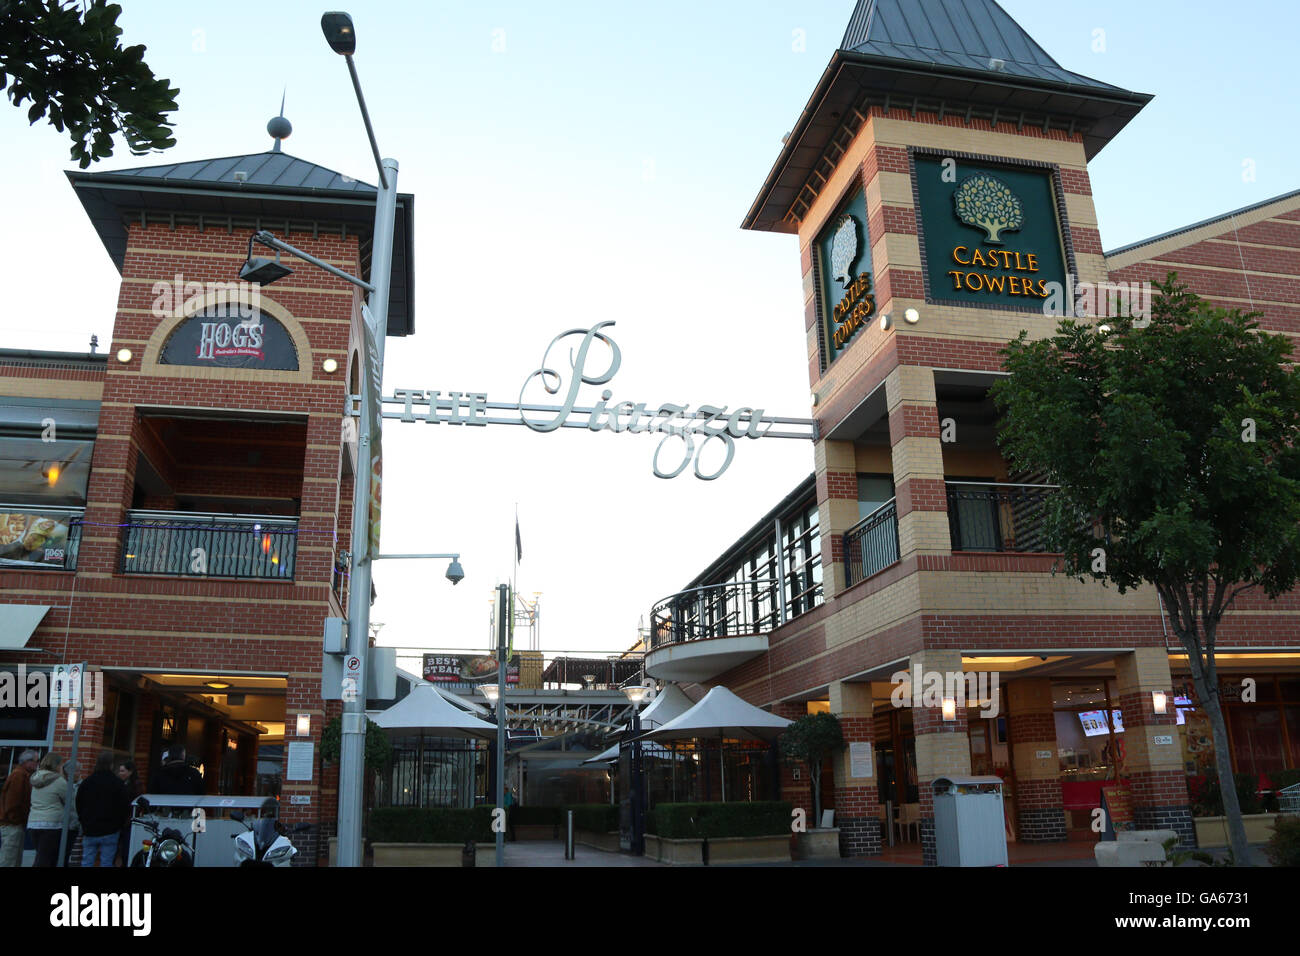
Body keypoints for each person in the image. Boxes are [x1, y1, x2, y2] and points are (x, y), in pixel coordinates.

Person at [76, 751, 130, 867]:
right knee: (107, 862)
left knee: (87, 861)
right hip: (110, 829)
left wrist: (83, 821)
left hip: (90, 828)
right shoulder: (117, 783)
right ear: (111, 764)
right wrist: (119, 824)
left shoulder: (87, 782)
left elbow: (79, 803)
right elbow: (124, 807)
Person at [29, 752, 75, 867]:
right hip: (52, 824)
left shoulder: (35, 778)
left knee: (41, 855)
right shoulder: (59, 781)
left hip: (33, 823)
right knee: (46, 859)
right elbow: (70, 801)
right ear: (58, 765)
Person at [0, 749, 39, 867]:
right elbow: (13, 801)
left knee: (14, 858)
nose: (37, 765)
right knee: (9, 858)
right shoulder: (19, 776)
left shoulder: (21, 775)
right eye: (36, 761)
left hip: (14, 823)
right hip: (12, 824)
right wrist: (16, 819)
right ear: (27, 762)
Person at [115, 759, 142, 867]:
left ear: (130, 772)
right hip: (120, 821)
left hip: (128, 821)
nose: (120, 773)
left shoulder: (135, 785)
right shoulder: (120, 784)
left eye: (122, 771)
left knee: (126, 849)